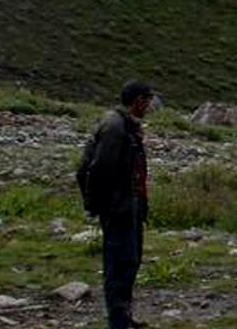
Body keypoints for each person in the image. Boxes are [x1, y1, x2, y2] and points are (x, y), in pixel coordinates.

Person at [80, 82, 156, 329]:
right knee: (119, 264)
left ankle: (124, 317)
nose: (149, 106)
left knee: (131, 261)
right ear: (137, 100)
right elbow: (99, 169)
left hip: (131, 205)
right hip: (119, 207)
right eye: (147, 100)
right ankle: (118, 322)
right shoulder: (115, 126)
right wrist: (100, 205)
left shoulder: (127, 125)